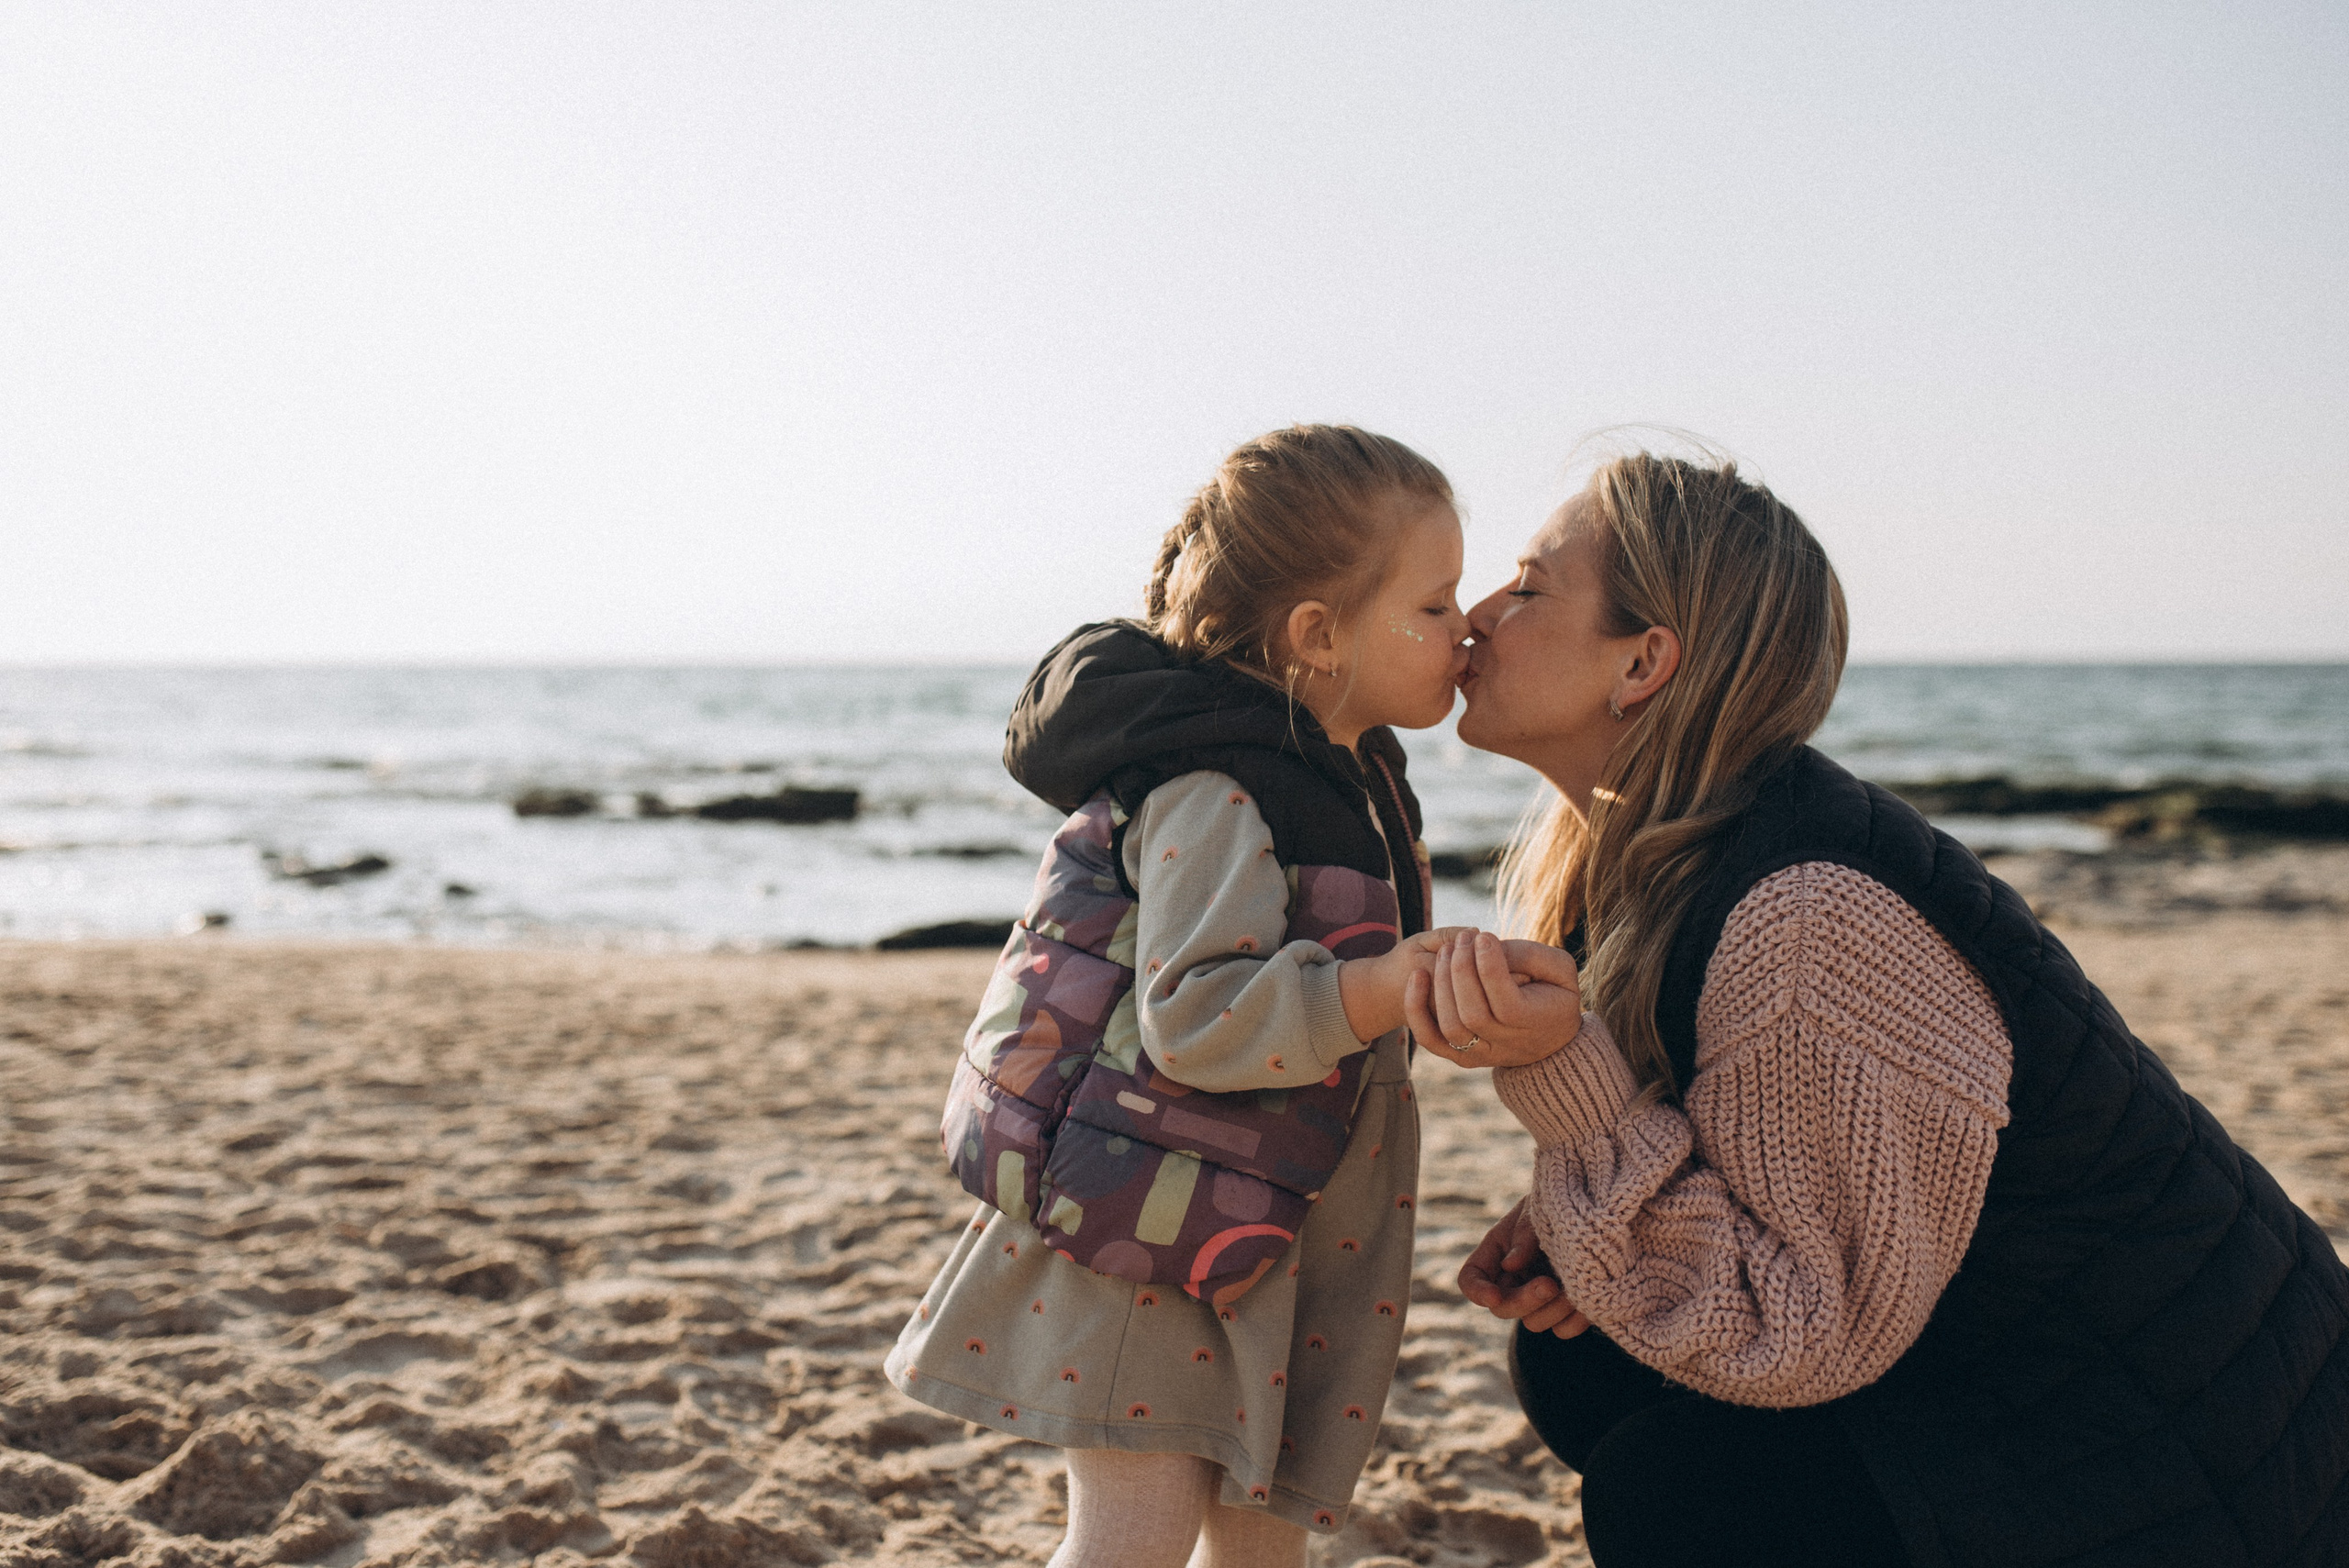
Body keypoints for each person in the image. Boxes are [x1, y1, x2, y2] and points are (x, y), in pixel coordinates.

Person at [1409, 452, 2349, 1567]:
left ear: (1644, 661)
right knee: (1581, 1354)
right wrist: (1586, 1213)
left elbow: (1797, 1331)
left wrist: (1581, 1110)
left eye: (1524, 586)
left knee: (1676, 1494)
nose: (1475, 616)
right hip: (2013, 1366)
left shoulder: (1808, 915)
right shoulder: (1660, 860)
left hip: (2206, 1451)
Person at [885, 425, 1477, 1567]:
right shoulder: (1218, 785)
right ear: (1318, 634)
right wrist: (1374, 988)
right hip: (1147, 1235)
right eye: (1436, 604)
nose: (1468, 628)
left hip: (1261, 1228)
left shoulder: (1344, 771)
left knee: (1260, 1547)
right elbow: (1195, 1016)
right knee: (1131, 1542)